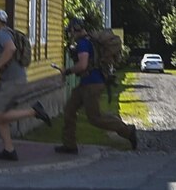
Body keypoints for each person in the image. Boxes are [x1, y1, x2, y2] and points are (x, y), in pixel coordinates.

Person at [57, 17, 140, 155]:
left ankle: (128, 132)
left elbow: (83, 65)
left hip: (92, 84)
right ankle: (69, 145)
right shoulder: (88, 41)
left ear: (75, 29)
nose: (70, 34)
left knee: (95, 118)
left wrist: (67, 71)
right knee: (69, 110)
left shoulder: (83, 43)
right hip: (86, 83)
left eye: (70, 31)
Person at [0, 8, 49, 160]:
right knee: (1, 116)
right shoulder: (8, 32)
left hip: (11, 82)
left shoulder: (1, 34)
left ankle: (34, 111)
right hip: (14, 80)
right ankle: (9, 150)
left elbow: (11, 49)